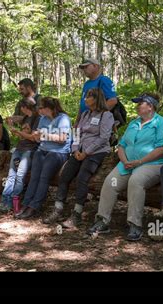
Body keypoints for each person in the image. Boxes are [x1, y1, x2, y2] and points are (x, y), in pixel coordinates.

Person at [87, 93, 163, 241]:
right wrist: (125, 160)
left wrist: (139, 162)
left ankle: (135, 224)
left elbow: (162, 150)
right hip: (128, 164)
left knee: (136, 181)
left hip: (153, 165)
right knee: (110, 182)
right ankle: (103, 220)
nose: (137, 106)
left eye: (140, 103)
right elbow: (122, 145)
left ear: (150, 107)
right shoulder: (134, 123)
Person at [42, 88, 114, 228]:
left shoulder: (106, 115)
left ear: (96, 98)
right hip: (79, 151)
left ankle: (77, 213)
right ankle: (58, 208)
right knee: (65, 175)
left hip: (97, 152)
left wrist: (86, 152)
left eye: (88, 96)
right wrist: (75, 150)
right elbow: (76, 132)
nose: (85, 99)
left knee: (82, 178)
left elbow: (104, 138)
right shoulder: (85, 114)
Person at [15, 97, 72, 220]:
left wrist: (44, 135)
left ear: (49, 108)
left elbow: (62, 139)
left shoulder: (62, 119)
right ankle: (26, 204)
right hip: (43, 150)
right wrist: (35, 136)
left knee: (44, 177)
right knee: (34, 176)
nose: (38, 110)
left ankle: (35, 206)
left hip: (58, 152)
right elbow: (38, 138)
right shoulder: (43, 119)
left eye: (41, 107)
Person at [0, 97, 40, 212]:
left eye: (21, 107)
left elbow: (33, 138)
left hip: (29, 150)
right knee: (11, 175)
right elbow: (21, 129)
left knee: (20, 176)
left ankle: (14, 200)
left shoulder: (37, 119)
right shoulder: (26, 118)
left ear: (24, 107)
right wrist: (12, 124)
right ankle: (5, 200)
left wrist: (17, 132)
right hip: (19, 148)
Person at [75, 58, 117, 127]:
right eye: (83, 68)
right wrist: (77, 121)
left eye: (86, 67)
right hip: (84, 120)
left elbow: (112, 101)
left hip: (95, 123)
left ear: (95, 66)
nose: (84, 70)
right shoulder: (87, 84)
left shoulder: (104, 80)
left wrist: (97, 116)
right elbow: (82, 104)